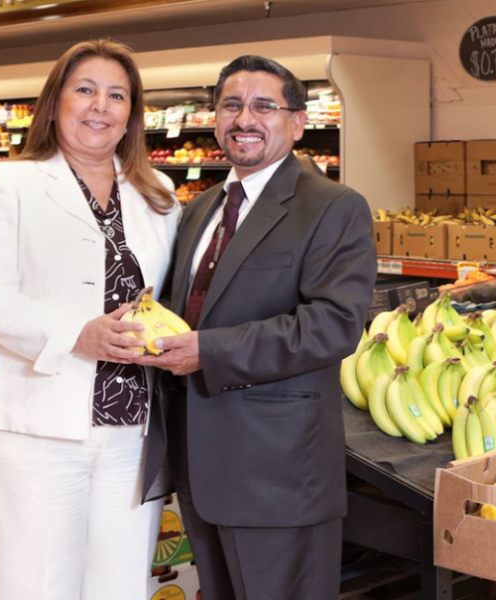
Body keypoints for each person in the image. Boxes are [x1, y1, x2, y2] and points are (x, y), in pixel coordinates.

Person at [138, 55, 377, 600]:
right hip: (199, 462)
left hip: (278, 473)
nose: (245, 118)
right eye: (231, 105)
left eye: (264, 106)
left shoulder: (332, 207)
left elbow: (333, 326)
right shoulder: (199, 210)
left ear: (297, 121)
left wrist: (207, 351)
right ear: (216, 117)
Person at [0, 39, 180, 600]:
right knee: (35, 585)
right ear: (56, 101)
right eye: (85, 90)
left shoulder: (158, 197)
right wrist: (78, 335)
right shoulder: (11, 183)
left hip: (133, 428)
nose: (99, 106)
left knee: (120, 586)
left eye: (116, 95)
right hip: (38, 426)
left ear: (132, 113)